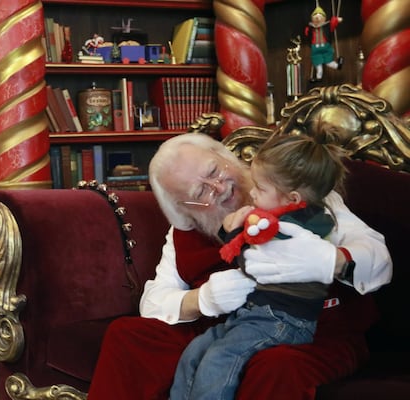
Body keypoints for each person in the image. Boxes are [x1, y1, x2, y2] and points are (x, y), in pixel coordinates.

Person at [87, 132, 392, 400]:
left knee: (272, 366)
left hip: (313, 332)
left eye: (215, 170)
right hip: (229, 329)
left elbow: (377, 259)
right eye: (200, 192)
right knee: (127, 335)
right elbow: (153, 301)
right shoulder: (184, 233)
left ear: (227, 157)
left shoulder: (303, 199)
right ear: (184, 209)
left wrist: (329, 260)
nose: (218, 187)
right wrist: (203, 299)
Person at [170, 134, 349, 399]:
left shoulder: (299, 226)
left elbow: (254, 264)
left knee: (220, 358)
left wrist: (231, 232)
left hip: (285, 321)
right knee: (196, 350)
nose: (252, 193)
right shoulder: (275, 219)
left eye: (261, 189)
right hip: (256, 314)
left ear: (292, 197)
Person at [305, 2, 343, 82]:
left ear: (324, 18)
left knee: (328, 62)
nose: (318, 19)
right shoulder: (311, 28)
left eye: (319, 17)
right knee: (318, 64)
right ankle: (318, 77)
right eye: (315, 17)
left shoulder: (327, 26)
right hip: (316, 50)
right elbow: (307, 34)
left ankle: (338, 66)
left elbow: (332, 23)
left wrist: (337, 20)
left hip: (326, 48)